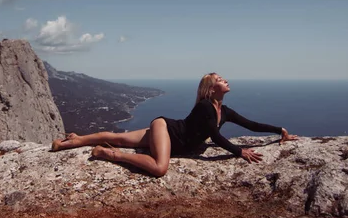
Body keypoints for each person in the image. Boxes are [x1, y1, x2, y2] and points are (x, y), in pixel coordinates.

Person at [51, 73, 298, 177]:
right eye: (221, 79)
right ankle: (108, 154)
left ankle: (75, 140)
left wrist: (280, 131)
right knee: (159, 168)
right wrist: (239, 151)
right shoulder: (205, 107)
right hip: (165, 130)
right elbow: (214, 136)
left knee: (117, 135)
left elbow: (251, 125)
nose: (226, 80)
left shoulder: (226, 111)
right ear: (212, 88)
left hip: (170, 136)